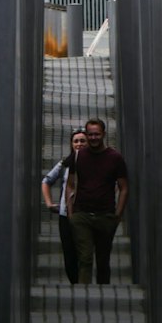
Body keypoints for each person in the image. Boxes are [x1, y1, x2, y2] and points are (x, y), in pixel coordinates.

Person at [70, 116, 129, 285]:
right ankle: (83, 293)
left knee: (103, 260)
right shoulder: (78, 156)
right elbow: (70, 184)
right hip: (82, 214)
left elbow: (124, 187)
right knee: (85, 257)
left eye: (96, 134)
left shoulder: (115, 158)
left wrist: (117, 215)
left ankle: (103, 290)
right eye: (90, 134)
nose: (93, 138)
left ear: (103, 134)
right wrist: (71, 212)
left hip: (105, 215)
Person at [41, 129, 87, 284]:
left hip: (88, 214)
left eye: (82, 141)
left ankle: (83, 282)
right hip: (65, 214)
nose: (79, 144)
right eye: (76, 141)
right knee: (69, 252)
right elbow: (46, 181)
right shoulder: (65, 164)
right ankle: (75, 282)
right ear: (71, 144)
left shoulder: (97, 164)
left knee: (85, 253)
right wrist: (49, 203)